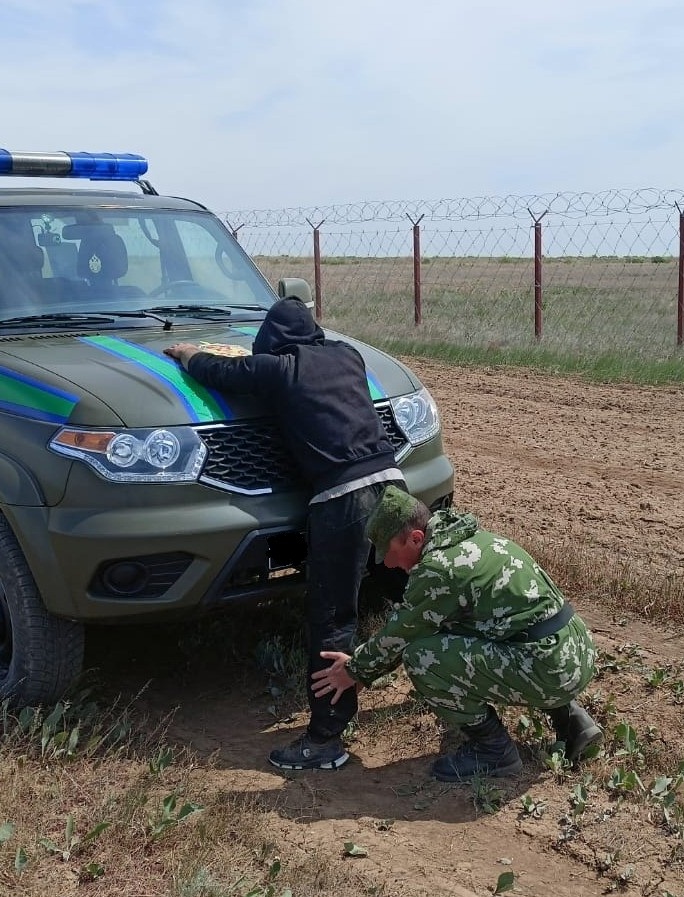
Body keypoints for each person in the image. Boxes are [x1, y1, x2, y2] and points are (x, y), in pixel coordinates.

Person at [165, 298, 404, 769]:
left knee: (334, 617)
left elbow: (221, 373)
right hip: (393, 484)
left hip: (343, 499)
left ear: (271, 342)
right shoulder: (347, 355)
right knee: (422, 590)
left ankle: (324, 741)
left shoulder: (279, 370)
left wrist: (187, 352)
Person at [310, 485, 602, 782]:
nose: (388, 564)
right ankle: (570, 718)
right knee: (460, 626)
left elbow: (402, 632)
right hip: (576, 649)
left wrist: (355, 669)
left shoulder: (440, 568)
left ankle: (493, 749)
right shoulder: (471, 539)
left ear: (416, 538)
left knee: (422, 657)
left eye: (391, 552)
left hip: (551, 669)